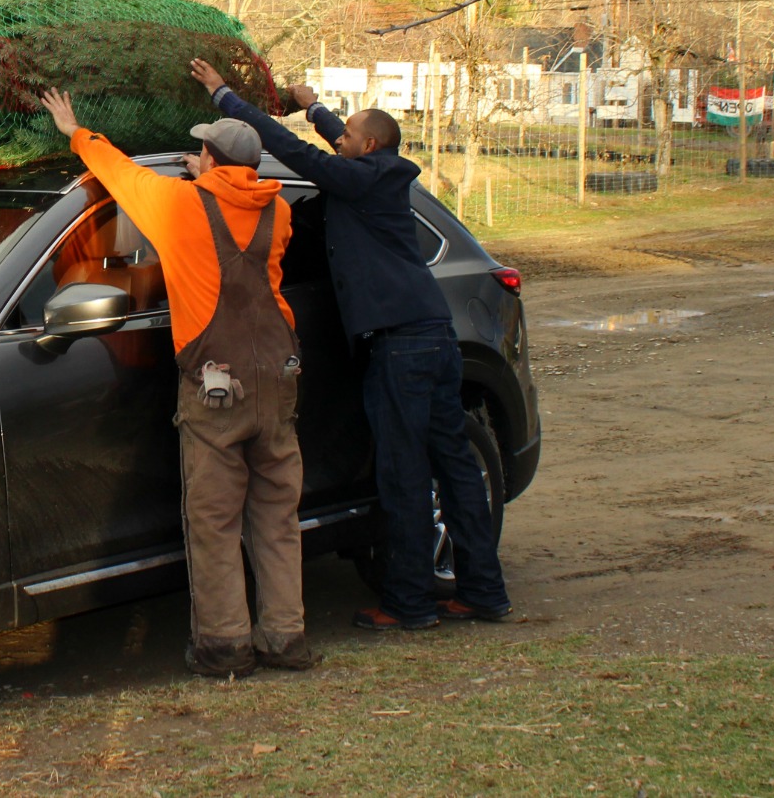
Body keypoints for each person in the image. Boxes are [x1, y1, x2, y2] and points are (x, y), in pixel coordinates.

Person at [188, 60, 512, 632]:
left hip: (401, 346)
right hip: (434, 336)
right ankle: (485, 592)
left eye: (347, 138)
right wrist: (314, 105)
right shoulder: (379, 172)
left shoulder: (357, 178)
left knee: (403, 472)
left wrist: (224, 97)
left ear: (366, 145)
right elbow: (337, 137)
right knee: (456, 466)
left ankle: (409, 602)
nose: (339, 143)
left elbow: (291, 148)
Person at [36, 89, 320, 676]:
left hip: (218, 387)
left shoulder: (178, 206)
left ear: (210, 161)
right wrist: (210, 178)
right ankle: (286, 638)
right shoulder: (280, 209)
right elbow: (236, 214)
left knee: (214, 520)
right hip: (277, 376)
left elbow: (119, 173)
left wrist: (74, 128)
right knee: (275, 515)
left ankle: (223, 647)